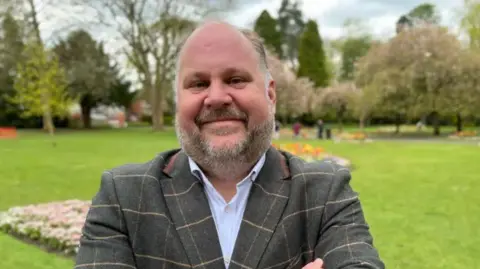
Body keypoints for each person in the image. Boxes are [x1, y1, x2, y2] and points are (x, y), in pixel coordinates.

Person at [75, 21, 384, 269]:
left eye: (236, 79)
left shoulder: (325, 191)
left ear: (270, 94)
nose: (217, 97)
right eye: (198, 84)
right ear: (178, 100)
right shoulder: (124, 196)